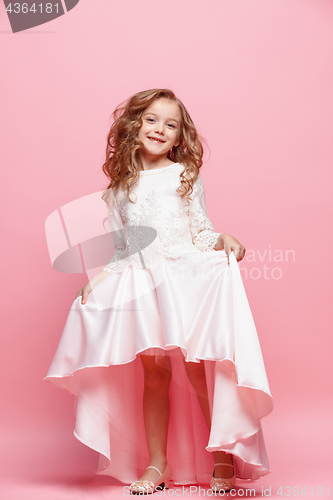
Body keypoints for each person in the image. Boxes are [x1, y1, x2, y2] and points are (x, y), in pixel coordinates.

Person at [44, 88, 273, 495]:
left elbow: (200, 229)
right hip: (142, 284)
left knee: (197, 369)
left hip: (186, 281)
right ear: (134, 124)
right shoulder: (118, 187)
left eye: (170, 124)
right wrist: (99, 280)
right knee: (154, 374)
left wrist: (223, 237)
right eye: (152, 119)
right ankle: (157, 464)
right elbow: (125, 246)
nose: (159, 129)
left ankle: (222, 455)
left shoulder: (185, 175)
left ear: (180, 136)